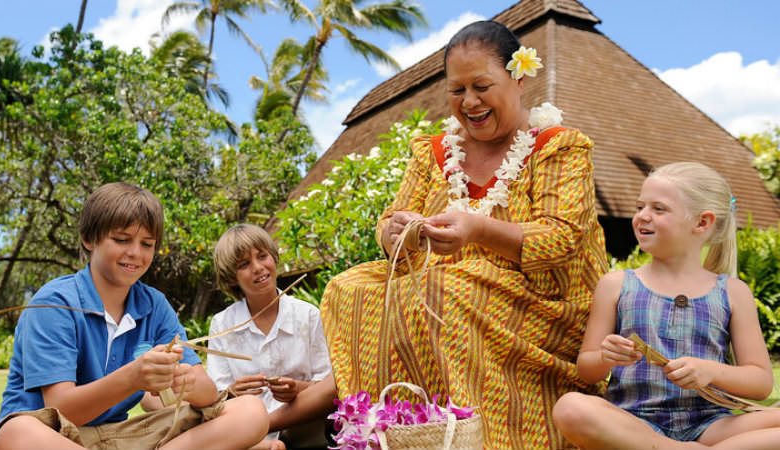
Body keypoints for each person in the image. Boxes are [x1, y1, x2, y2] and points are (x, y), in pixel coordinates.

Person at [320, 20, 608, 449]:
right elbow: (390, 221)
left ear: (519, 77)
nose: (469, 102)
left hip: (544, 301)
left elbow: (560, 239)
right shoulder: (433, 152)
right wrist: (399, 233)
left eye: (481, 86)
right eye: (457, 91)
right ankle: (396, 433)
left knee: (445, 289)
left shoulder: (558, 146)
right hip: (442, 287)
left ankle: (483, 439)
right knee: (347, 290)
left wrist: (477, 229)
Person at [0, 182, 268, 450]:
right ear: (88, 239)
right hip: (59, 436)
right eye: (121, 240)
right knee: (16, 433)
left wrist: (186, 381)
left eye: (147, 244)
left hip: (125, 436)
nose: (136, 253)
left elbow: (207, 395)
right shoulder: (55, 304)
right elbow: (63, 409)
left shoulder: (155, 305)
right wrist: (132, 378)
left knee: (251, 411)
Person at [552, 162, 780, 449]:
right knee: (571, 407)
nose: (642, 216)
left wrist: (710, 371)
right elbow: (587, 370)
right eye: (640, 207)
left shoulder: (733, 292)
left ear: (702, 223)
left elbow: (760, 382)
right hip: (634, 420)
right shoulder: (616, 284)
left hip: (710, 425)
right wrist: (606, 356)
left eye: (658, 209)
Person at [207, 224, 332, 449]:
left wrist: (299, 389)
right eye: (244, 264)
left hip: (307, 430)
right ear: (232, 278)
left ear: (273, 258)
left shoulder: (307, 315)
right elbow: (216, 396)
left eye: (262, 256)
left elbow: (327, 384)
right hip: (249, 435)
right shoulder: (222, 324)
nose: (257, 267)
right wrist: (232, 392)